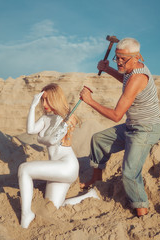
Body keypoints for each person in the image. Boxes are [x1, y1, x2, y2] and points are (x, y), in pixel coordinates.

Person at [79, 37, 160, 217]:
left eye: (122, 59)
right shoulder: (132, 71)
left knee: (130, 173)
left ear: (137, 57)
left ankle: (141, 209)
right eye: (117, 57)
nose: (118, 62)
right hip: (132, 126)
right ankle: (96, 178)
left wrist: (90, 101)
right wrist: (107, 69)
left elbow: (116, 116)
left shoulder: (138, 78)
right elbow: (125, 78)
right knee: (98, 140)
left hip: (146, 129)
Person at [18, 83, 99, 228]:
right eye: (42, 100)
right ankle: (89, 195)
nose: (44, 104)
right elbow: (30, 130)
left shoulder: (69, 118)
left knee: (24, 169)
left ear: (55, 99)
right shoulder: (45, 118)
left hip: (67, 166)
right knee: (54, 206)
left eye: (47, 99)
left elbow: (52, 140)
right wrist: (32, 106)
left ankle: (26, 214)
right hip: (57, 168)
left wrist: (48, 135)